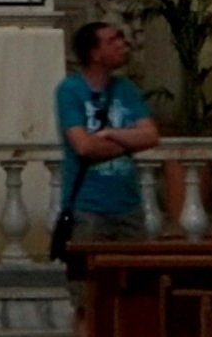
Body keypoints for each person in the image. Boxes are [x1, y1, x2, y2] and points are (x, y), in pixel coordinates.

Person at [55, 18, 160, 306]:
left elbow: (151, 136)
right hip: (88, 208)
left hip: (128, 206)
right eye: (113, 40)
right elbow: (84, 146)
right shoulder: (70, 91)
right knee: (86, 300)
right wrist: (128, 143)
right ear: (94, 53)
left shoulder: (126, 88)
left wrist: (112, 134)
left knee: (137, 296)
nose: (122, 45)